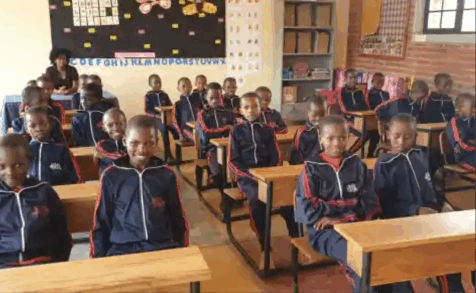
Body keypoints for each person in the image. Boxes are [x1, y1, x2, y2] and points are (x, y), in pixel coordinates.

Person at [374, 113, 474, 293]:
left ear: (415, 136)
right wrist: (416, 210)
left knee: (466, 244)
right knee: (444, 258)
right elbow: (384, 204)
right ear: (388, 134)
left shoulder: (423, 155)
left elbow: (435, 185)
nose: (402, 141)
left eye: (408, 137)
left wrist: (444, 203)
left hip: (433, 215)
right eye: (396, 136)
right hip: (405, 221)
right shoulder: (384, 164)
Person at [294, 115, 381, 293]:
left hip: (357, 226)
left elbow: (370, 202)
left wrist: (339, 217)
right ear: (321, 140)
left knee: (383, 260)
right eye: (330, 138)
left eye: (342, 137)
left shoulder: (357, 165)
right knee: (360, 261)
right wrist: (351, 204)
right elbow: (307, 211)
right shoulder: (310, 169)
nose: (337, 143)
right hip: (324, 233)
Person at [90, 115, 188, 258]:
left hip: (161, 244)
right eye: (135, 143)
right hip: (123, 248)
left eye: (149, 143)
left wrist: (183, 250)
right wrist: (98, 257)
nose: (142, 150)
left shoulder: (166, 174)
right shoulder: (111, 176)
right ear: (124, 141)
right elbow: (101, 222)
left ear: (157, 142)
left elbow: (177, 216)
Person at [229, 92, 298, 267]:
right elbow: (233, 161)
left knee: (289, 201)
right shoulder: (236, 131)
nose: (251, 110)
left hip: (269, 176)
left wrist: (269, 174)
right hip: (248, 178)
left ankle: (297, 243)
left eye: (254, 106)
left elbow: (276, 156)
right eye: (246, 107)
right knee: (257, 202)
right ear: (240, 111)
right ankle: (265, 248)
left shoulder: (267, 130)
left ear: (261, 108)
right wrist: (252, 176)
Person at [0, 134, 72, 268]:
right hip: (4, 265)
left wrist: (57, 264)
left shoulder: (44, 191)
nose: (10, 172)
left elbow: (62, 233)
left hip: (41, 261)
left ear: (29, 161)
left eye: (18, 165)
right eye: (2, 167)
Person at [26, 107, 81, 186]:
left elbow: (73, 178)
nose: (39, 128)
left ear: (50, 124)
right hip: (31, 195)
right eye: (32, 126)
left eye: (43, 124)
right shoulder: (25, 150)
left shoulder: (61, 150)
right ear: (27, 129)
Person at [196, 82, 234, 189]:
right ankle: (223, 195)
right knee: (217, 171)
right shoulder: (203, 113)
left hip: (229, 145)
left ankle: (233, 191)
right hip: (211, 147)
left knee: (237, 166)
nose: (214, 100)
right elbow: (206, 133)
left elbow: (235, 128)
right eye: (211, 97)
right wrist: (225, 129)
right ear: (206, 97)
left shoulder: (227, 112)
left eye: (217, 97)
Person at [144, 74, 178, 159]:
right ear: (150, 85)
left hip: (166, 118)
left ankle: (178, 155)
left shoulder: (164, 95)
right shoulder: (148, 96)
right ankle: (167, 154)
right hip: (155, 119)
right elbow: (147, 110)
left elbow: (170, 106)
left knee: (176, 128)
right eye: (155, 83)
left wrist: (170, 115)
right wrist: (157, 115)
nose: (158, 84)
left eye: (159, 82)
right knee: (164, 129)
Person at [289, 95, 326, 165]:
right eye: (315, 115)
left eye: (322, 115)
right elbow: (297, 156)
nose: (318, 118)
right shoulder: (302, 132)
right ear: (307, 113)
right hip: (307, 168)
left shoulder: (329, 130)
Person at [446, 93, 475, 171]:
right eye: (471, 107)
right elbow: (457, 141)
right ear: (461, 108)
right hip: (463, 156)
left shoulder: (473, 121)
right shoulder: (455, 122)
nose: (474, 110)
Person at [95, 108, 128, 174]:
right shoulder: (101, 146)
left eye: (120, 123)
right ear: (104, 128)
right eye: (110, 125)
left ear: (126, 124)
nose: (115, 128)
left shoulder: (133, 143)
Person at [172, 77, 202, 143]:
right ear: (178, 89)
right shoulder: (177, 104)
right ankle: (199, 153)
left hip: (199, 127)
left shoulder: (198, 100)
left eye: (188, 85)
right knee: (198, 137)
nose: (186, 88)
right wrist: (180, 134)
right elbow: (175, 121)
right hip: (186, 130)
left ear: (191, 86)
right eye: (183, 86)